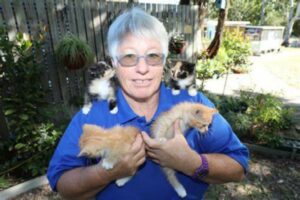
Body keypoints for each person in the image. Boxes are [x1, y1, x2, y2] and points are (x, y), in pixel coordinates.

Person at [47, 7, 249, 200]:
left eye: (152, 56)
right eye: (129, 57)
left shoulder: (193, 104)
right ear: (114, 63)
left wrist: (192, 163)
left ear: (164, 61)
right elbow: (64, 186)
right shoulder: (92, 115)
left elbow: (238, 167)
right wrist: (107, 173)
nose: (142, 68)